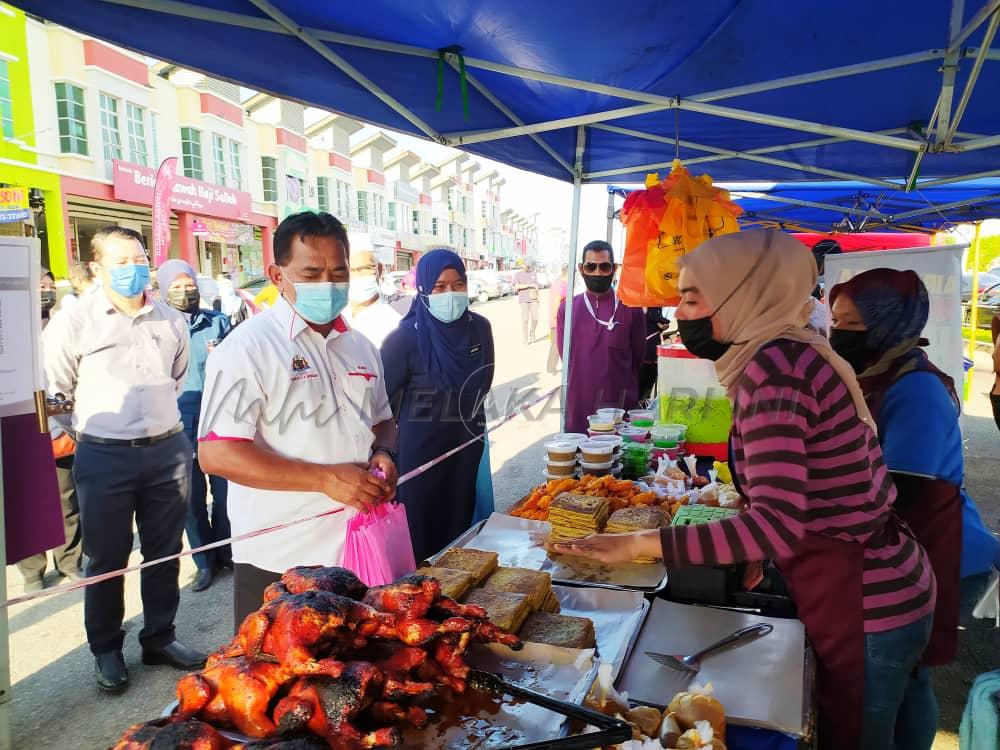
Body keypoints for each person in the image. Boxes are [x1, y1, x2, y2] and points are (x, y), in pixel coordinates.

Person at [554, 229, 936, 750]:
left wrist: (640, 544)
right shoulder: (790, 349)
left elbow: (777, 523)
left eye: (691, 297)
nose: (679, 312)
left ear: (741, 294)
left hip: (867, 594)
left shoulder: (775, 370)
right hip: (877, 575)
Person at [197, 211, 397, 628]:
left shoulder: (360, 346)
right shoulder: (248, 349)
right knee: (281, 681)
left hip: (358, 550)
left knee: (359, 675)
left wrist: (383, 452)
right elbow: (217, 455)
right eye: (312, 272)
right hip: (281, 560)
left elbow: (383, 421)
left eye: (338, 271)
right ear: (277, 274)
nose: (328, 284)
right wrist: (324, 479)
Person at [43, 226, 204, 694]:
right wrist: (97, 434)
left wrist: (151, 425)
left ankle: (159, 637)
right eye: (120, 262)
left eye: (139, 259)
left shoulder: (170, 319)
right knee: (107, 559)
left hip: (167, 451)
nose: (134, 269)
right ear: (96, 269)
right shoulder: (73, 322)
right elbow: (57, 394)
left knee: (165, 552)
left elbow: (175, 379)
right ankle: (107, 649)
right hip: (103, 455)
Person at [829, 268, 982, 748]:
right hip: (908, 539)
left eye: (853, 325)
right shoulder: (878, 373)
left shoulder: (915, 389)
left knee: (901, 675)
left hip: (935, 541)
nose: (838, 334)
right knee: (910, 676)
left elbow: (900, 489)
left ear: (890, 324)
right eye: (835, 321)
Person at [381, 248, 495, 561]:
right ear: (422, 290)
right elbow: (380, 406)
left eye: (458, 285)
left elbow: (482, 385)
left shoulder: (480, 328)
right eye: (440, 287)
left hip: (466, 449)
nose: (451, 294)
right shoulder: (403, 340)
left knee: (462, 533)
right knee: (422, 540)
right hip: (420, 458)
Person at [158, 259, 233, 594]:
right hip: (177, 429)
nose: (184, 291)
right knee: (191, 500)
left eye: (188, 284)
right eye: (175, 286)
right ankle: (205, 563)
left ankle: (227, 551)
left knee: (225, 494)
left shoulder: (218, 323)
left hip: (219, 424)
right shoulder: (159, 327)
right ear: (162, 290)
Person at [16, 268, 83, 593]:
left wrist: (64, 427)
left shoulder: (62, 325)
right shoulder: (10, 330)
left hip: (59, 431)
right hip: (20, 431)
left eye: (47, 286)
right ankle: (33, 571)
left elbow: (64, 385)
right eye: (37, 286)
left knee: (66, 500)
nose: (44, 291)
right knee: (26, 504)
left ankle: (69, 562)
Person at [556, 240, 645, 434]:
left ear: (614, 268)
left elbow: (638, 357)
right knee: (581, 461)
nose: (597, 273)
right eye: (591, 266)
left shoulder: (631, 307)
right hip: (580, 404)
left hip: (620, 405)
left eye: (604, 267)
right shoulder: (568, 309)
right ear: (581, 268)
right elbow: (566, 357)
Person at [345, 247, 402, 348]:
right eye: (349, 270)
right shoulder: (335, 316)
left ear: (379, 270)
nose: (356, 276)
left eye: (363, 269)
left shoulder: (394, 323)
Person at [639, 307, 668, 400]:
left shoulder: (640, 307)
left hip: (644, 350)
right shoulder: (653, 307)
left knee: (642, 384)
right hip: (650, 351)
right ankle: (642, 403)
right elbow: (661, 325)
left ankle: (640, 403)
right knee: (646, 383)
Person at [547, 266, 568, 374]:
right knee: (556, 344)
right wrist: (558, 317)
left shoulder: (559, 284)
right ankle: (551, 369)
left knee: (559, 344)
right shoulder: (561, 286)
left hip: (558, 320)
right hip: (558, 321)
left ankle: (554, 367)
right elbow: (556, 303)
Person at [514, 264, 540, 344]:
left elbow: (536, 286)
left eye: (528, 265)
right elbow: (517, 286)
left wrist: (538, 297)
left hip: (533, 299)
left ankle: (532, 332)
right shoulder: (518, 275)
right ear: (522, 266)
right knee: (525, 319)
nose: (527, 267)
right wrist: (529, 285)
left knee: (535, 318)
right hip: (523, 299)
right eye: (525, 265)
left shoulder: (533, 274)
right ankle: (526, 339)